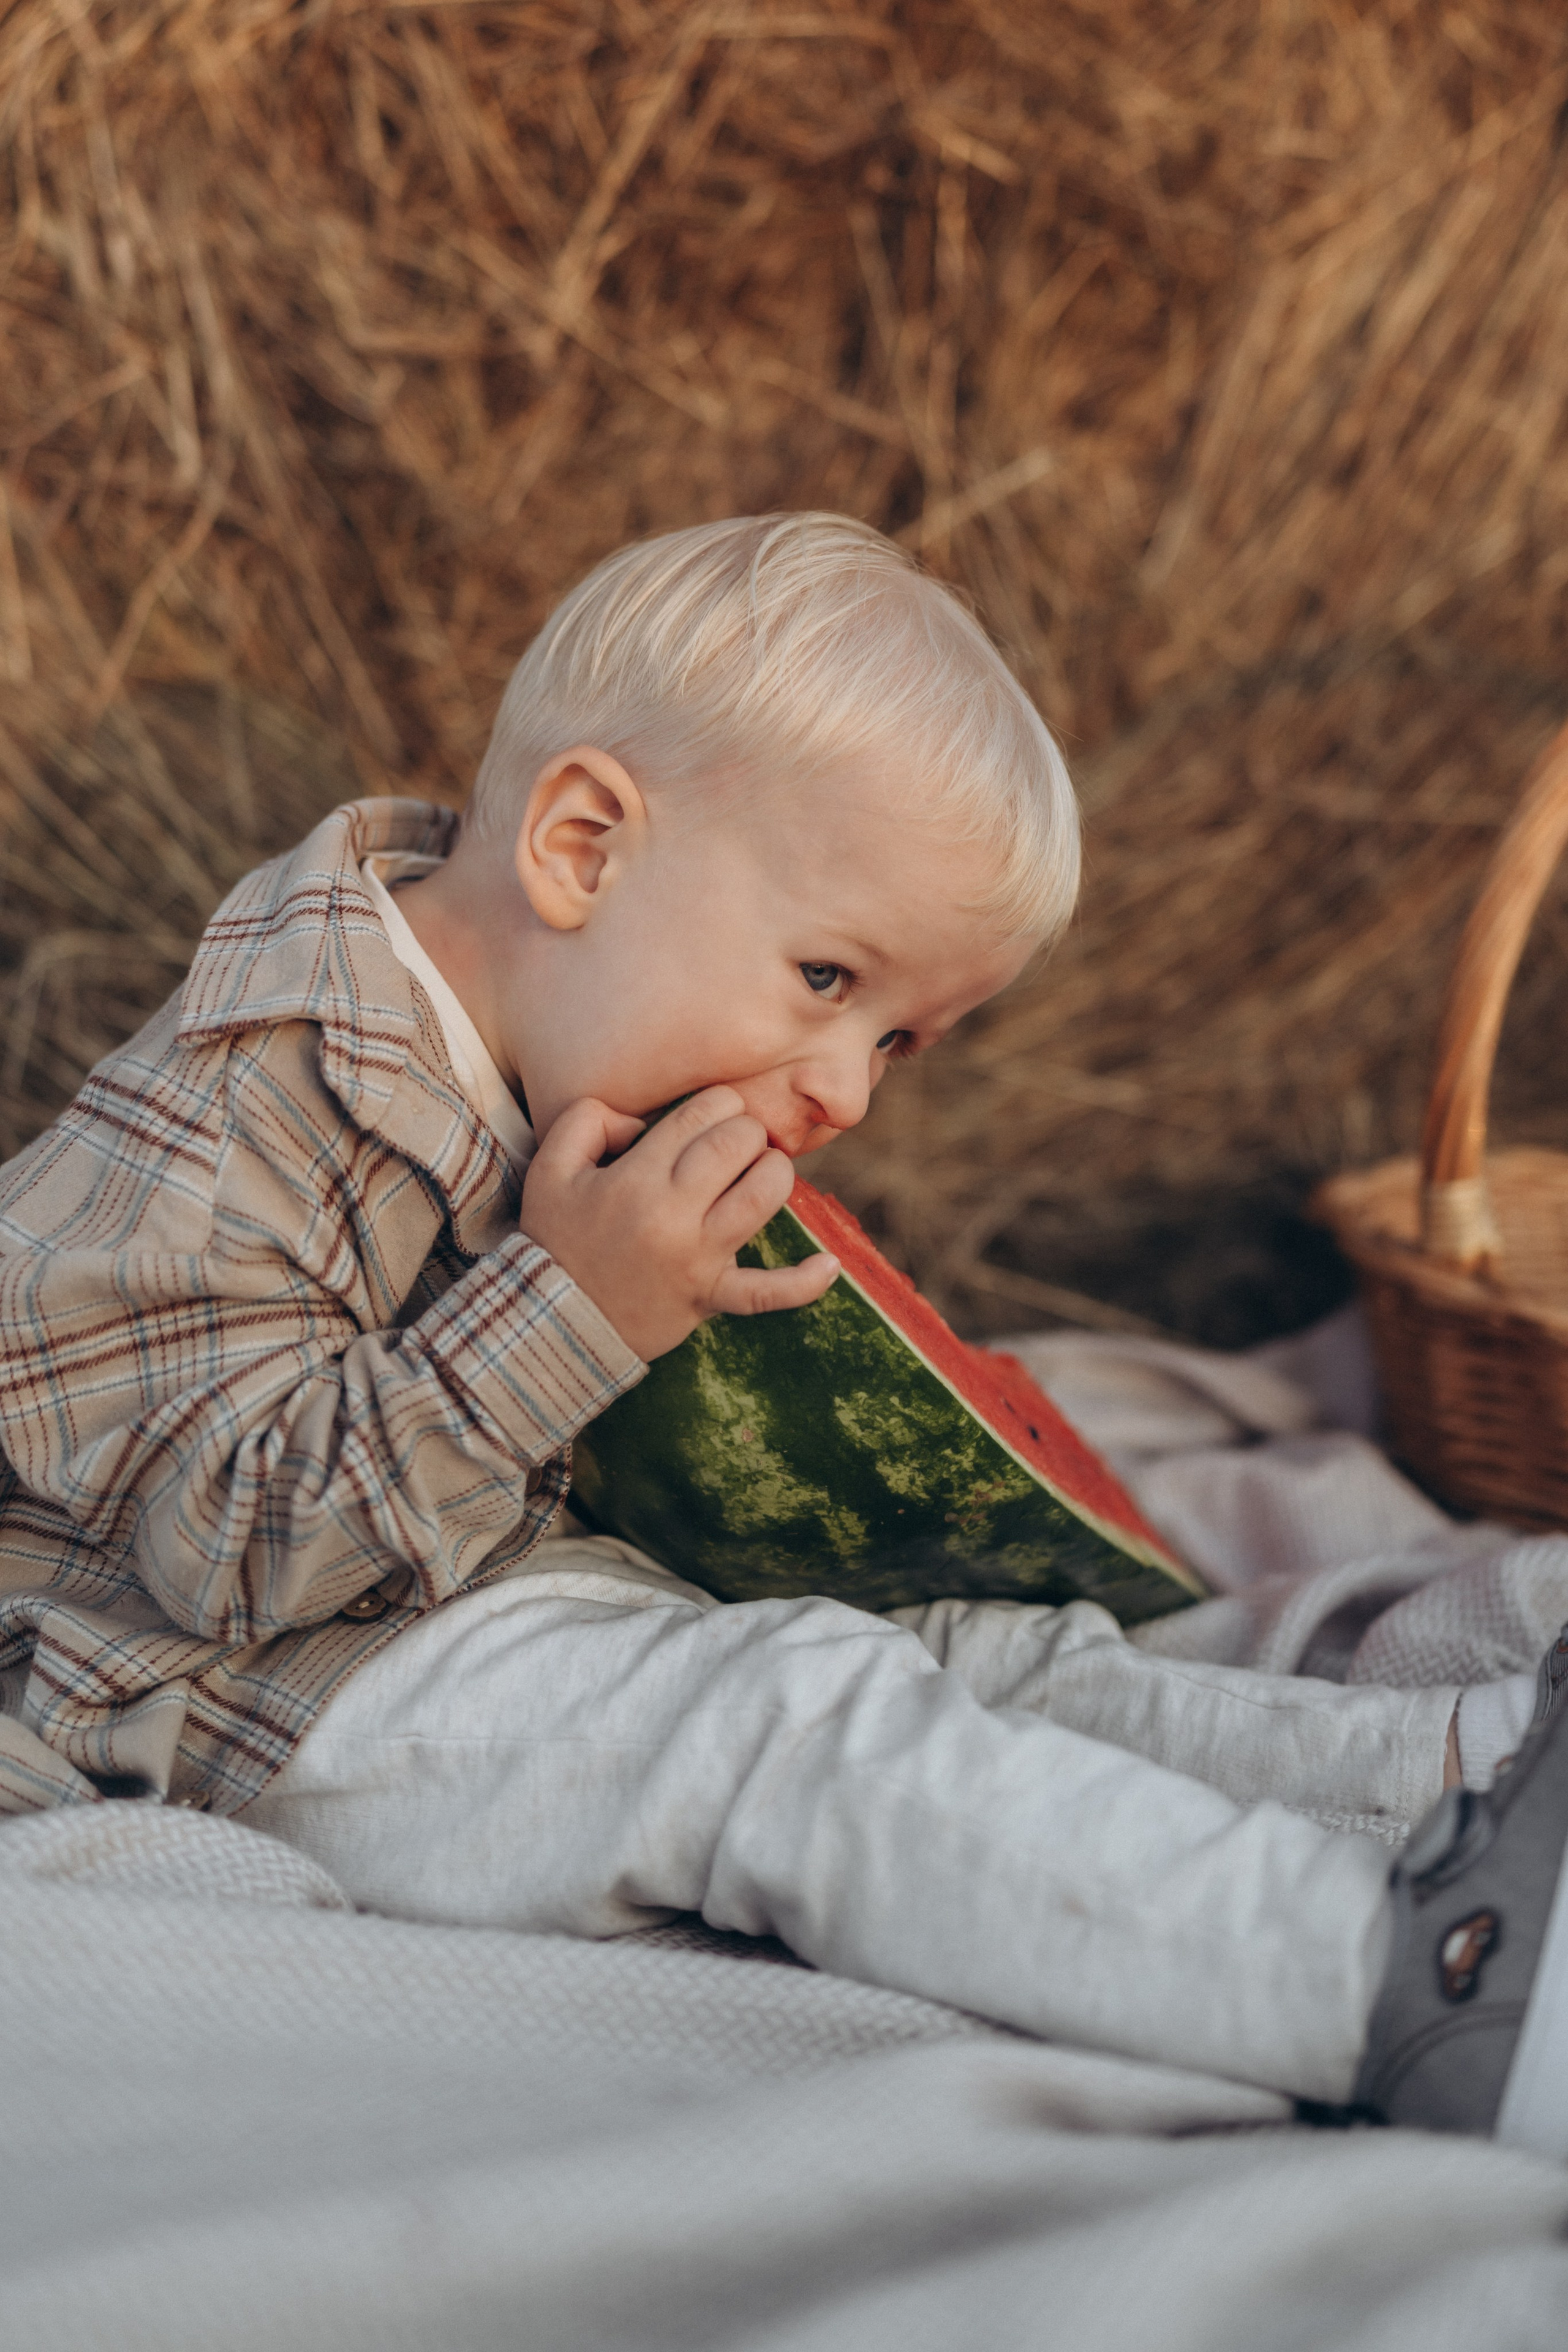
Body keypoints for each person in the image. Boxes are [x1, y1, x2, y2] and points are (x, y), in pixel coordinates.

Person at [1, 514, 1564, 2154]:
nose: (844, 1089)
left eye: (903, 1041)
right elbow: (223, 1550)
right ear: (582, 847)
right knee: (784, 1728)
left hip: (488, 1595)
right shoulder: (229, 1108)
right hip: (245, 1695)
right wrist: (574, 1314)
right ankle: (1414, 1981)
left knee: (973, 1659)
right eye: (827, 977)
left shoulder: (555, 1065)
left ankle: (1475, 1769)